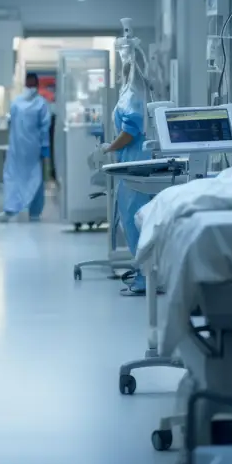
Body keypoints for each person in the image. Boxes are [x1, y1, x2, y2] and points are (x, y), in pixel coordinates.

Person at [101, 44, 152, 296]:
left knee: (135, 219)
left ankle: (145, 277)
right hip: (134, 161)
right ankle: (146, 273)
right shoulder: (134, 92)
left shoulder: (134, 94)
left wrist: (109, 148)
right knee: (136, 217)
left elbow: (129, 132)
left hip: (135, 163)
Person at [0, 72, 51, 222]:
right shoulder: (19, 103)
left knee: (34, 178)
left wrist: (45, 147)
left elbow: (44, 128)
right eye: (30, 83)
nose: (31, 86)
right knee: (15, 177)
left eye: (33, 83)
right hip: (19, 148)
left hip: (31, 149)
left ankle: (33, 212)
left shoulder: (39, 103)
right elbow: (11, 123)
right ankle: (11, 209)